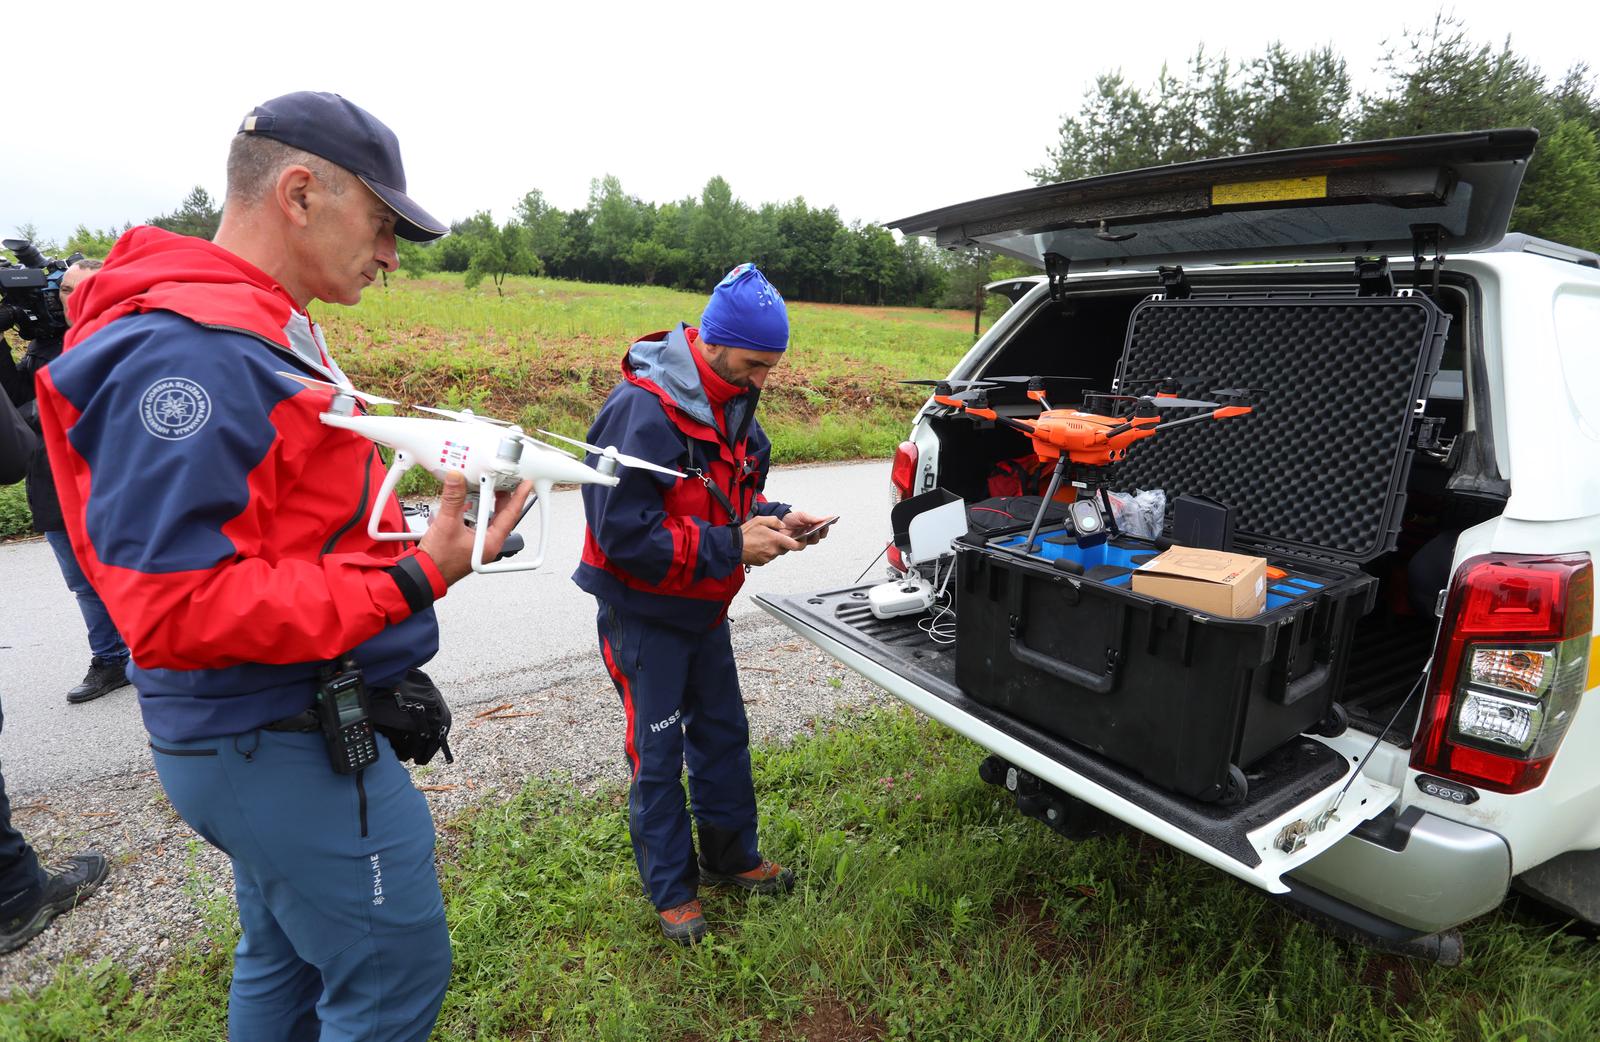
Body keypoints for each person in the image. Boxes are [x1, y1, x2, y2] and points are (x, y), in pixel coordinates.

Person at [34, 91, 530, 1041]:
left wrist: (417, 530)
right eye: (383, 225)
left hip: (269, 722)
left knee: (284, 959)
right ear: (300, 193)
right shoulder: (192, 353)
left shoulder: (259, 324)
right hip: (269, 733)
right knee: (394, 973)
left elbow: (272, 528)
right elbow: (177, 607)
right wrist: (412, 579)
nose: (390, 257)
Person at [573, 263, 832, 944]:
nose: (763, 380)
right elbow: (622, 534)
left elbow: (730, 504)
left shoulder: (736, 403)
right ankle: (673, 892)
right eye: (754, 364)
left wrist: (778, 518)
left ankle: (730, 858)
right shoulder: (641, 410)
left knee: (723, 737)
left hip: (704, 610)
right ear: (713, 344)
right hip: (644, 616)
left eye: (771, 367)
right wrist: (731, 545)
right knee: (657, 757)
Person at [0, 391, 109, 953]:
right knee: (84, 586)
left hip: (97, 490)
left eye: (70, 291)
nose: (63, 298)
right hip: (54, 495)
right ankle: (16, 895)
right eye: (59, 291)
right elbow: (13, 450)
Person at [0, 257, 134, 704]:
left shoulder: (128, 336)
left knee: (132, 573)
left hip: (112, 482)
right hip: (53, 481)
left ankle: (160, 653)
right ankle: (111, 658)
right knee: (81, 582)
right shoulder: (43, 346)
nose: (74, 299)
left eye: (85, 289)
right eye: (66, 290)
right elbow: (17, 404)